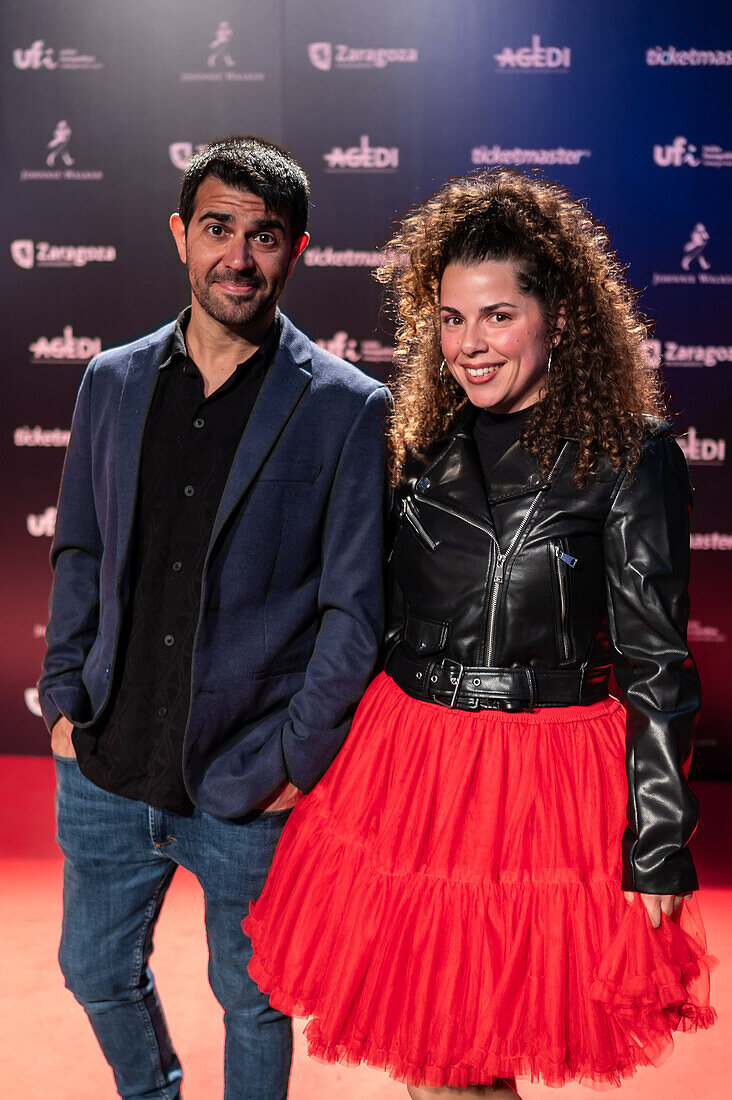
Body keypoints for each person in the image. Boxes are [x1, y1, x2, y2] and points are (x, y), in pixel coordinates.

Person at [244, 169, 716, 1097]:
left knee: (472, 1054)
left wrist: (657, 838)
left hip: (541, 779)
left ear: (562, 318)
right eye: (452, 320)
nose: (469, 344)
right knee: (439, 1056)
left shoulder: (630, 456)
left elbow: (660, 661)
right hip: (409, 764)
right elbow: (356, 609)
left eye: (497, 316)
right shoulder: (413, 439)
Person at [39, 135, 390, 1100]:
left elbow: (353, 610)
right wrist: (66, 702)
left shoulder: (350, 408)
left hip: (248, 780)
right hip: (108, 761)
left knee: (254, 1002)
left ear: (298, 250)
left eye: (264, 236)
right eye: (218, 229)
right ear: (180, 238)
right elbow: (80, 549)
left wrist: (293, 761)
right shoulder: (109, 380)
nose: (239, 255)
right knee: (94, 972)